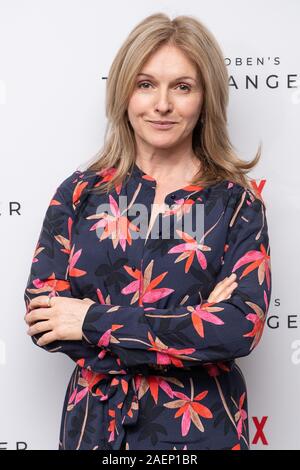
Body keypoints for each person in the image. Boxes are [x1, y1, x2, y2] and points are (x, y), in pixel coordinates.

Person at [24, 13, 271, 450]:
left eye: (182, 86)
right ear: (123, 93)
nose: (162, 105)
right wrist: (190, 324)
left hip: (200, 433)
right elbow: (45, 318)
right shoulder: (80, 193)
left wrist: (88, 320)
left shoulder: (235, 203)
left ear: (205, 98)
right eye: (145, 84)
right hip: (95, 431)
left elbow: (238, 328)